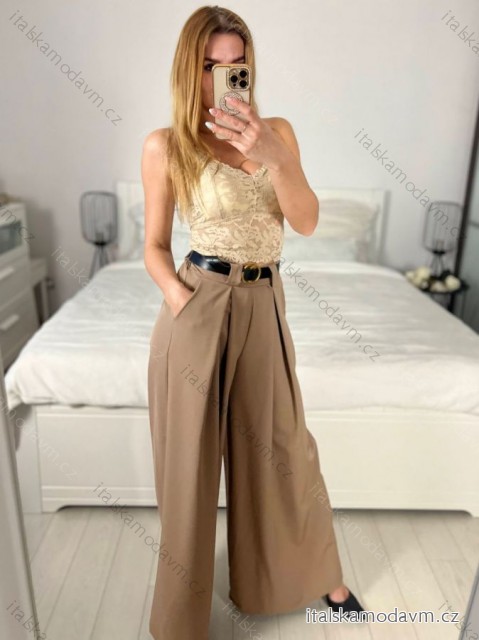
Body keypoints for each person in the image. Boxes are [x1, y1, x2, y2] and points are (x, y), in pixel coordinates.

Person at [142, 6, 364, 639]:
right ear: (190, 69)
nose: (225, 76)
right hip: (199, 302)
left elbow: (307, 221)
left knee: (287, 449)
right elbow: (153, 246)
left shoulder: (279, 133)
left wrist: (274, 157)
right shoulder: (166, 145)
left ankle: (320, 576)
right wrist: (181, 299)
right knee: (188, 470)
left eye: (237, 64)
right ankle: (180, 623)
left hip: (265, 302)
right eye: (211, 65)